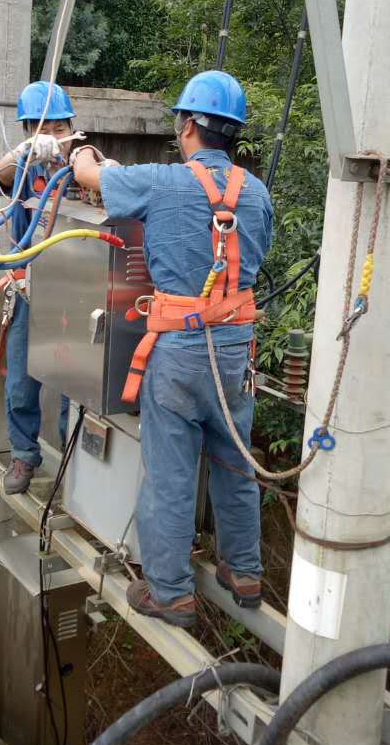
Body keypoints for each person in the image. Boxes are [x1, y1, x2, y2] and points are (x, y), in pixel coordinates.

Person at [70, 70, 274, 630]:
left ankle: (170, 591)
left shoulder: (160, 183)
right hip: (234, 352)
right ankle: (245, 572)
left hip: (180, 351)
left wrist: (80, 154)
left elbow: (89, 176)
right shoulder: (256, 195)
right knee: (234, 459)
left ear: (187, 126)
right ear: (234, 134)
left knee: (170, 471)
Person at [0, 81, 78, 495]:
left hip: (77, 293)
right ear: (28, 128)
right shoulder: (24, 169)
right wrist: (26, 152)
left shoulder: (82, 164)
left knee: (75, 381)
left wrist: (75, 155)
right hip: (29, 286)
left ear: (71, 125)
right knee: (22, 380)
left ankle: (76, 462)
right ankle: (23, 455)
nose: (51, 135)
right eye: (41, 128)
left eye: (58, 127)